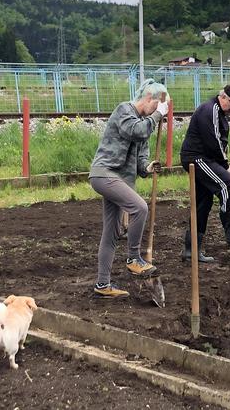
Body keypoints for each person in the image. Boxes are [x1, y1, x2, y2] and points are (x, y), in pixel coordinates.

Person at [89, 79, 169, 298]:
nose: (157, 111)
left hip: (120, 180)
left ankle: (103, 284)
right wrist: (157, 115)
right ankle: (134, 258)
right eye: (157, 106)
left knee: (111, 232)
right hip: (104, 174)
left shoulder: (145, 124)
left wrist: (148, 167)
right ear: (149, 99)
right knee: (140, 208)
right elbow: (135, 130)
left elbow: (141, 159)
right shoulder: (125, 110)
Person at [179, 84, 230, 262]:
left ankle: (191, 251)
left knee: (203, 204)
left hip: (206, 159)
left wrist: (223, 162)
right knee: (227, 182)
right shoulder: (210, 110)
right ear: (224, 97)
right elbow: (213, 142)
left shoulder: (220, 113)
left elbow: (222, 143)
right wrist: (225, 166)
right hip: (196, 159)